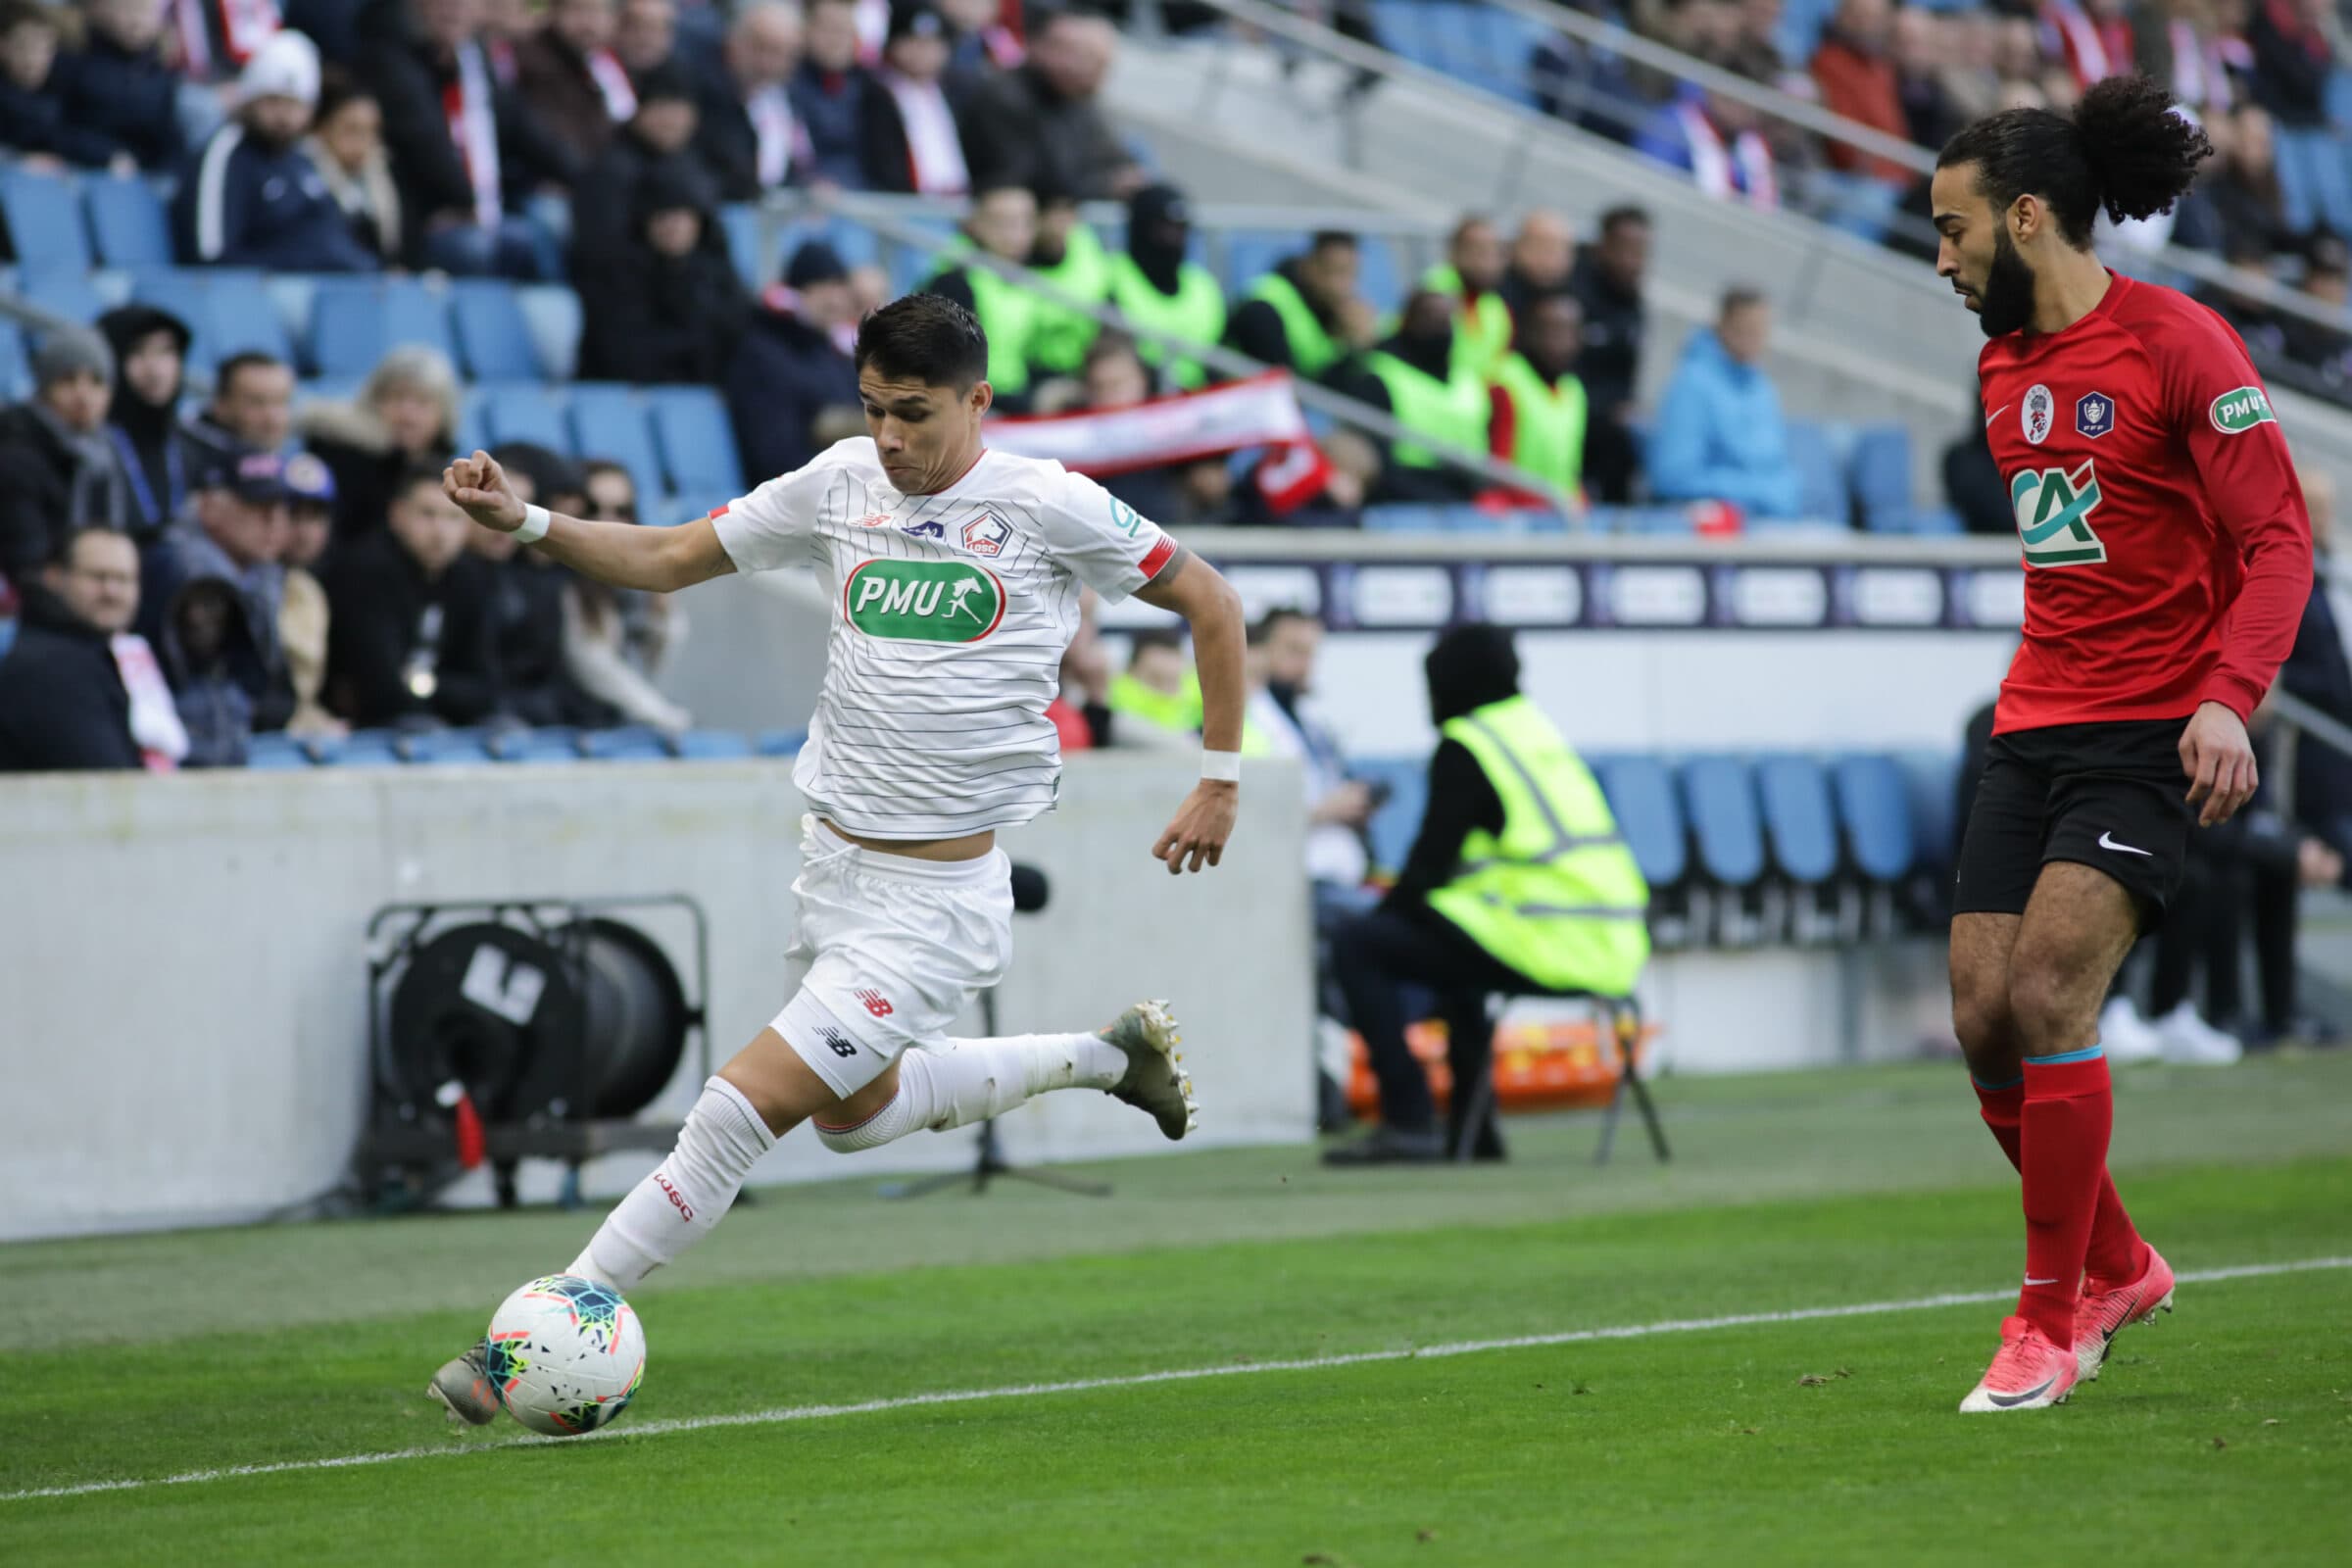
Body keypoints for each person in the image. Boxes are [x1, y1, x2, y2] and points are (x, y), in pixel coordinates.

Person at [423, 292, 1245, 1423]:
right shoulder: (838, 483)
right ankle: (1110, 1058)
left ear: (978, 401)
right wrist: (526, 522)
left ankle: (541, 1330)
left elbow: (1211, 600)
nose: (891, 438)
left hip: (936, 901)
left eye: (914, 413)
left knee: (734, 1109)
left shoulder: (1048, 506)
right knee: (856, 1117)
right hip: (835, 871)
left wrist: (1218, 776)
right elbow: (666, 556)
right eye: (873, 411)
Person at [1930, 75, 2312, 1412]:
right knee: (1980, 1024)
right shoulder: (2000, 363)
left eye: (1955, 228)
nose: (1942, 256)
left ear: (2027, 218)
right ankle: (2124, 1262)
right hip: (2033, 725)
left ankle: (2049, 1321)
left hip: (2151, 734)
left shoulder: (2184, 344)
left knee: (2046, 996)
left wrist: (2229, 695)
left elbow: (2279, 542)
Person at [1325, 623, 1647, 1165]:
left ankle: (1409, 1119)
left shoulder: (1470, 745)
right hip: (1612, 943)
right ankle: (1476, 1135)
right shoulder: (1536, 734)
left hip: (1549, 941)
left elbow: (1427, 869)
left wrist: (1381, 915)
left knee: (1360, 943)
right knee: (1458, 948)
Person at [357, 0, 578, 276]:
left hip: (482, 212)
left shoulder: (478, 65)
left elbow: (532, 137)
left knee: (545, 228)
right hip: (424, 220)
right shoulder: (393, 59)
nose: (453, 8)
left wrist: (588, 180)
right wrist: (467, 202)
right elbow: (427, 145)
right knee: (475, 246)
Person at [173, 29, 379, 272]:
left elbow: (335, 242)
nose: (284, 117)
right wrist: (301, 263)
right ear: (251, 99)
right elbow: (211, 258)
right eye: (273, 101)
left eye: (294, 105)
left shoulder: (303, 162)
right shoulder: (226, 154)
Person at [322, 460, 503, 727]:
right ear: (397, 514)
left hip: (439, 720)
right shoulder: (365, 573)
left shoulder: (471, 577)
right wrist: (447, 691)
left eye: (453, 517)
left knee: (503, 729)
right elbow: (380, 690)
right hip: (368, 728)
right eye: (427, 514)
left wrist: (423, 684)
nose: (440, 532)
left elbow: (487, 689)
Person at [139, 447, 298, 740]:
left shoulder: (264, 573)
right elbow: (202, 689)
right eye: (258, 507)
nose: (275, 522)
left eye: (283, 509)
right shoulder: (186, 569)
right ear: (210, 508)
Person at [0, 527, 183, 773]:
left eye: (124, 579)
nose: (112, 591)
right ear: (53, 577)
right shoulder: (49, 667)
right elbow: (109, 782)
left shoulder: (120, 654)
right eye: (98, 577)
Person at [573, 167, 749, 385]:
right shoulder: (617, 276)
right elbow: (622, 351)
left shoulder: (717, 274)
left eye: (682, 215)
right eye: (662, 215)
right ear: (644, 220)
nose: (673, 226)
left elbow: (740, 336)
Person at [0, 329, 130, 618]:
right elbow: (27, 565)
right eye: (68, 380)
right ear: (45, 387)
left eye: (96, 382)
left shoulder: (106, 456)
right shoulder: (16, 457)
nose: (83, 394)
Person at [1646, 288, 1803, 520]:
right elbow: (1673, 476)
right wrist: (1757, 492)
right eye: (1746, 328)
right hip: (1717, 527)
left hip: (1772, 523)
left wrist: (1782, 492)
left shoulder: (1763, 388)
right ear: (1723, 325)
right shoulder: (1691, 385)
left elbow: (1776, 465)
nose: (1755, 337)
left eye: (1761, 328)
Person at [956, 6, 1137, 199]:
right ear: (1040, 46)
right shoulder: (1005, 96)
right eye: (1084, 57)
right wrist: (1106, 185)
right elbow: (1033, 181)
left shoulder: (1076, 98)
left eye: (1102, 63)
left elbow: (1118, 161)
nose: (1092, 71)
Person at [727, 240, 864, 482]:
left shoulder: (835, 356)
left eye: (839, 288)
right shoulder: (763, 355)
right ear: (795, 293)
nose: (834, 301)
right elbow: (773, 455)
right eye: (821, 288)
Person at [301, 345, 461, 539]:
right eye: (397, 398)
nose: (407, 415)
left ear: (443, 414)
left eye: (422, 402)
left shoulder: (449, 470)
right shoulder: (343, 458)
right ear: (374, 402)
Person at [97, 305, 208, 544]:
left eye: (166, 351)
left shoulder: (192, 444)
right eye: (137, 352)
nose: (155, 369)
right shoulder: (89, 443)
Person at [921, 181, 1041, 404]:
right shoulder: (954, 284)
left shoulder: (1026, 277)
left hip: (1013, 399)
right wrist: (1031, 401)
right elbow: (952, 377)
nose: (1017, 235)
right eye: (1005, 224)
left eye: (1026, 223)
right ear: (976, 224)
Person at [1568, 206, 1650, 504]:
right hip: (1572, 427)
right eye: (1624, 249)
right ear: (1602, 246)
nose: (1632, 261)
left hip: (1607, 431)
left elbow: (1626, 377)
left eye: (1640, 251)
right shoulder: (1571, 295)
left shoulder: (1634, 305)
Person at [1108, 183, 1225, 392]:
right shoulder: (1111, 278)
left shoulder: (1203, 287)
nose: (1173, 240)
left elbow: (1216, 364)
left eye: (1181, 230)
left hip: (1197, 407)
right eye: (1163, 229)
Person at [1225, 230, 1375, 384]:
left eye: (1353, 275)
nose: (1346, 287)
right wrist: (1354, 349)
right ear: (1308, 267)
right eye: (1336, 273)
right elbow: (1287, 392)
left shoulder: (1335, 311)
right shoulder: (1263, 310)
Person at [57, 0, 189, 172]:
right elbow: (61, 127)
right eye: (127, 10)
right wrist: (106, 156)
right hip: (87, 168)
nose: (136, 21)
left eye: (144, 12)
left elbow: (170, 137)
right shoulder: (77, 60)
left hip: (147, 174)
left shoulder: (160, 69)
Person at [695, 0, 807, 201]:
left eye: (779, 52)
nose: (767, 62)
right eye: (759, 47)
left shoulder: (789, 98)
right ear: (733, 42)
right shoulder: (704, 94)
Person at [860, 2, 970, 196]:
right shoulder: (879, 95)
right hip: (906, 205)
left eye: (933, 43)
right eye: (913, 41)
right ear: (893, 44)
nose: (923, 52)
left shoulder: (956, 93)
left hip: (959, 201)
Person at [1489, 292, 1590, 501]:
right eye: (1552, 332)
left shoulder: (1574, 390)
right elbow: (1495, 470)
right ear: (1528, 333)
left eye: (1570, 333)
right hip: (1514, 519)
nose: (1561, 343)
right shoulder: (1504, 381)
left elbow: (1571, 470)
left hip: (1559, 517)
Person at [0, 0, 124, 168]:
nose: (32, 59)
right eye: (23, 46)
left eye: (42, 48)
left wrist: (110, 156)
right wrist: (17, 160)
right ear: (3, 47)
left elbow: (70, 134)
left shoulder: (64, 88)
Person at [512, 0, 634, 165]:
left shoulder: (609, 63)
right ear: (554, 13)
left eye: (598, 12)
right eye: (578, 10)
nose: (588, 23)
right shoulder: (532, 61)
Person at [303, 71, 405, 267]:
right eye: (352, 130)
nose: (363, 143)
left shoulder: (381, 180)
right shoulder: (303, 180)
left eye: (372, 131)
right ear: (321, 129)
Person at [277, 451, 345, 736]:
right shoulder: (247, 585)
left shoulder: (309, 590)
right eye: (294, 515)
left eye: (315, 518)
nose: (304, 532)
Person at [788, 0, 875, 188]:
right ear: (804, 30)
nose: (837, 40)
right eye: (828, 29)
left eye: (845, 31)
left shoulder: (868, 86)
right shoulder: (786, 85)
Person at [1420, 215, 1512, 380]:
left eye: (1495, 252)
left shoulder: (1495, 307)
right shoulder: (1433, 294)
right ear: (1454, 252)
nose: (1487, 262)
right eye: (1479, 251)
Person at [186, 352, 297, 464]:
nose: (273, 418)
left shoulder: (298, 463)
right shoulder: (187, 461)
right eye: (257, 403)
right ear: (221, 405)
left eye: (282, 401)